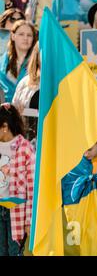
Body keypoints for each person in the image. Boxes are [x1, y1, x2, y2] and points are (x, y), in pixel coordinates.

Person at [0, 103, 35, 256]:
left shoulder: (25, 148)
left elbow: (32, 189)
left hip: (16, 213)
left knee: (14, 253)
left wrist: (29, 222)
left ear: (5, 127)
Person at [0, 20, 37, 103]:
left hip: (28, 113)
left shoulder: (38, 64)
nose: (25, 38)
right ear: (13, 36)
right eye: (21, 34)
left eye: (29, 35)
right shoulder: (1, 63)